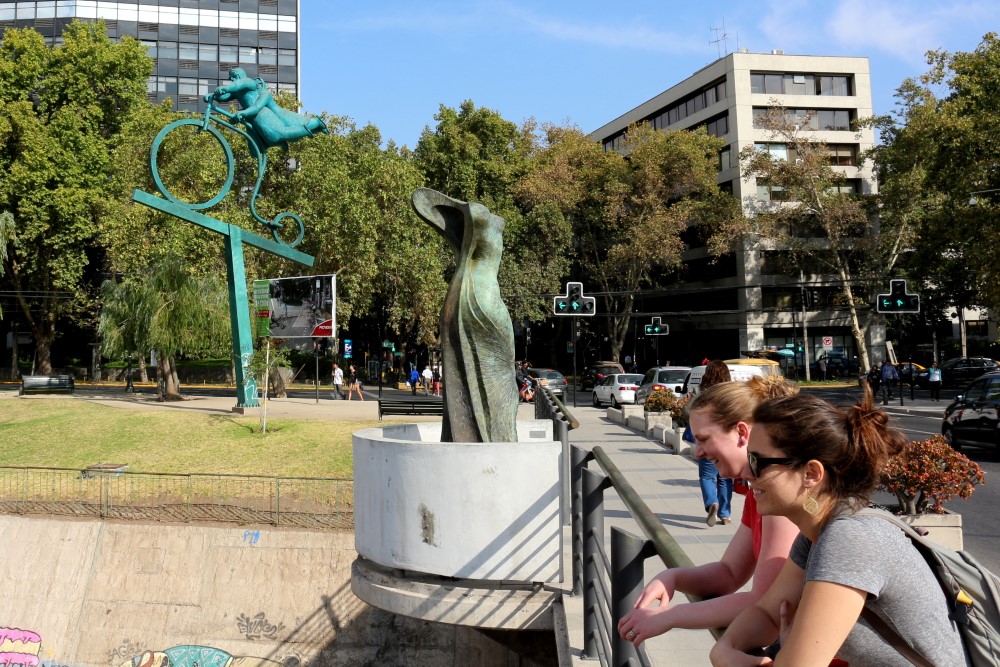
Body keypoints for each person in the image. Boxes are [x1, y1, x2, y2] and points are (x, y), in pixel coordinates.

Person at [709, 390, 968, 666]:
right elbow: (767, 613)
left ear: (811, 474)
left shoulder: (850, 538)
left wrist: (742, 656)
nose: (746, 473)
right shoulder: (818, 532)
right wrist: (724, 649)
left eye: (757, 462)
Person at [618, 376, 800, 647]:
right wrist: (673, 576)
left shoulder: (779, 498)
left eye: (703, 439)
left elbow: (764, 602)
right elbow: (729, 572)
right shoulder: (758, 493)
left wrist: (671, 616)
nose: (698, 452)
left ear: (742, 432)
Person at [209, 68, 328, 150]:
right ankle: (285, 140)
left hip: (263, 114)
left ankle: (314, 124)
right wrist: (213, 96)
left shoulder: (248, 82)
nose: (231, 80)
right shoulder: (238, 92)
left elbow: (238, 86)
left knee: (286, 129)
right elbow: (224, 97)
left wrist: (225, 89)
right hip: (253, 116)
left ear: (238, 76)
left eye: (232, 77)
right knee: (270, 138)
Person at [696, 360, 735, 527]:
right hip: (726, 440)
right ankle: (725, 514)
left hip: (708, 440)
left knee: (707, 476)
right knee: (725, 478)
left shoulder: (703, 395)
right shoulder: (730, 394)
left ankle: (712, 502)